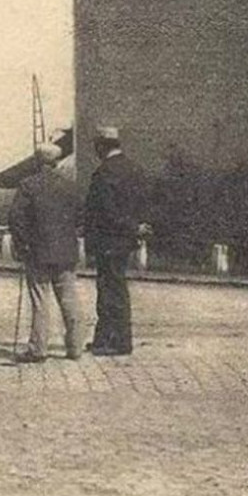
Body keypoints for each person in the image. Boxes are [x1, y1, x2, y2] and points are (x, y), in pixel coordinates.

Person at [7, 143, 85, 362]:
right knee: (69, 299)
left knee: (41, 301)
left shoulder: (28, 185)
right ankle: (75, 348)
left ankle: (38, 348)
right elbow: (81, 217)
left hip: (37, 252)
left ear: (37, 161)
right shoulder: (70, 186)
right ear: (57, 162)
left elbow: (15, 218)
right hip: (66, 252)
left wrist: (22, 245)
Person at [82, 126, 143, 356]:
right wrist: (136, 226)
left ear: (101, 146)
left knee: (109, 291)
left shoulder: (104, 173)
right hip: (125, 240)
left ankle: (115, 342)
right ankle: (107, 339)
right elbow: (141, 203)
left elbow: (105, 211)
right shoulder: (134, 169)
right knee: (117, 288)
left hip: (107, 239)